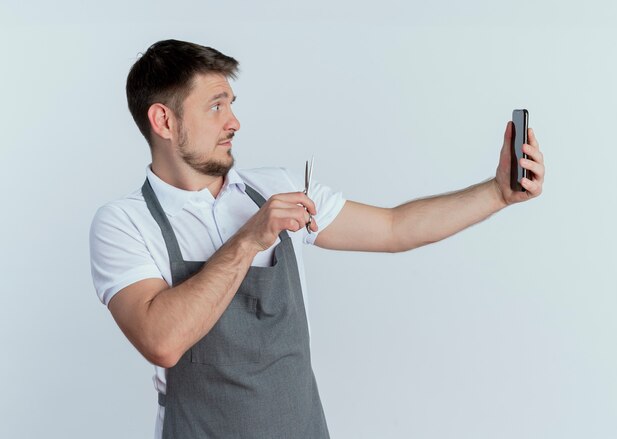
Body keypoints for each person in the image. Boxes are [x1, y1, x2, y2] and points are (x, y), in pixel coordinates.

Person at [89, 39, 545, 439]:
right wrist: (250, 238)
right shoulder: (124, 224)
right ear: (163, 121)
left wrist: (496, 193)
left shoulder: (277, 187)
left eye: (231, 103)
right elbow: (162, 340)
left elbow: (394, 229)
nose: (235, 122)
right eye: (215, 106)